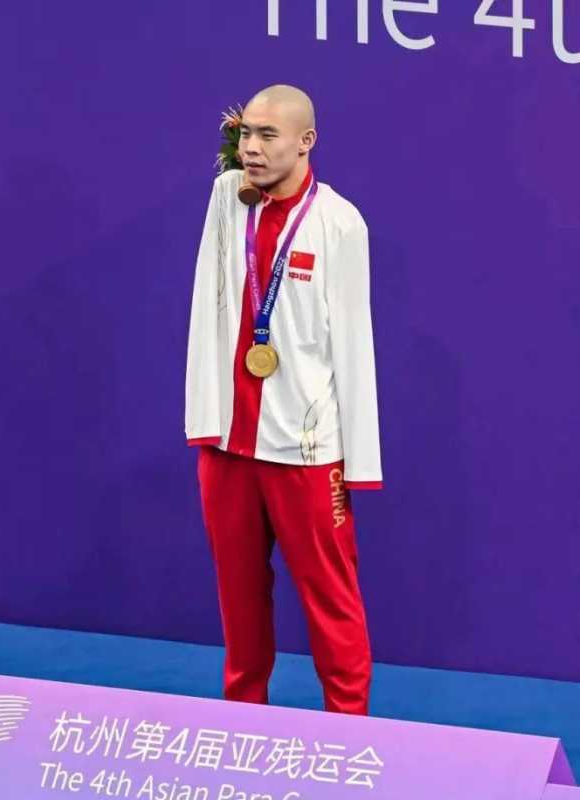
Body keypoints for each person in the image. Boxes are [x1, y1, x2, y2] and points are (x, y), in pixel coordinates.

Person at [184, 84, 383, 715]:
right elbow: (208, 301)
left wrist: (358, 462)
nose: (251, 147)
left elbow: (353, 341)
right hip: (227, 443)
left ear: (306, 142)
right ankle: (243, 720)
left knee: (330, 598)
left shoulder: (340, 222)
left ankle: (349, 732)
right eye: (246, 133)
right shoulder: (227, 197)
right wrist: (202, 417)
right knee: (238, 597)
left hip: (306, 450)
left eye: (268, 135)